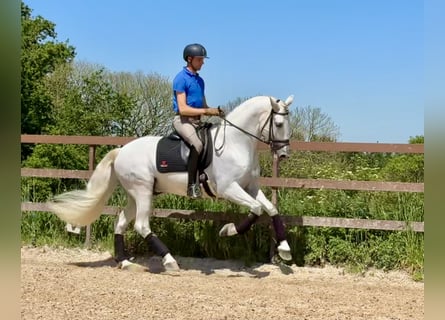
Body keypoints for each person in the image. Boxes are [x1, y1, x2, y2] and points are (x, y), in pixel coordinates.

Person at [172, 43, 222, 199]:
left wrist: (216, 112)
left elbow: (204, 106)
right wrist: (207, 111)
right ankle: (191, 185)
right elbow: (183, 109)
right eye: (200, 59)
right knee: (198, 144)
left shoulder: (200, 81)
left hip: (198, 121)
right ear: (190, 59)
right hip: (183, 120)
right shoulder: (180, 79)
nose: (203, 62)